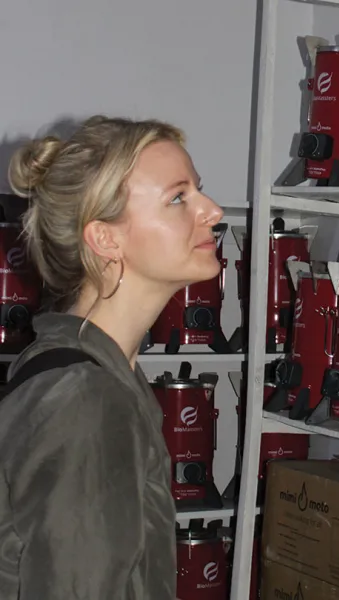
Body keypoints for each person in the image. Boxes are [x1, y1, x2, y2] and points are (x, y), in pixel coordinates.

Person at [0, 115, 224, 600]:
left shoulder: (96, 371)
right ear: (105, 239)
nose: (213, 211)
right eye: (178, 198)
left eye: (198, 191)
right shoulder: (86, 399)